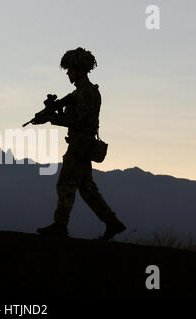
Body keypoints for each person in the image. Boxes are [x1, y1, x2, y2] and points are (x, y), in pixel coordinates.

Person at [33, 47, 126, 241]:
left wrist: (53, 118)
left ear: (78, 70)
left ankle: (60, 225)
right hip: (80, 144)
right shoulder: (79, 93)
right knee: (87, 189)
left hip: (80, 145)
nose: (67, 73)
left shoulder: (87, 94)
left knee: (65, 184)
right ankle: (112, 223)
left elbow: (80, 122)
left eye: (69, 69)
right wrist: (52, 114)